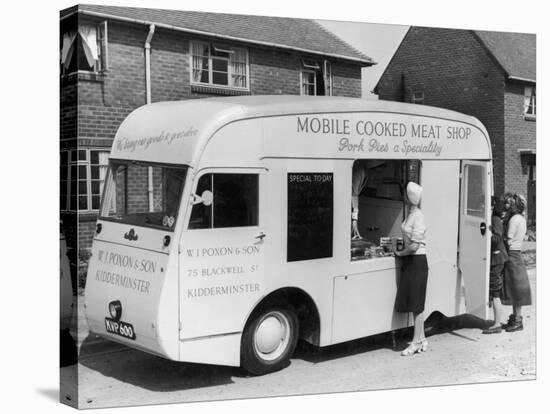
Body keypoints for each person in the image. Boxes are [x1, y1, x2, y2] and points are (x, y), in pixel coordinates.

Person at [393, 181, 429, 355]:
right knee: (416, 303)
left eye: (405, 194)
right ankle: (421, 338)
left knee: (416, 303)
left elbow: (414, 246)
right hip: (412, 261)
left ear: (409, 197)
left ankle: (415, 342)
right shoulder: (411, 214)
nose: (403, 197)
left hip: (417, 261)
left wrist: (400, 253)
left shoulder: (418, 216)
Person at [501, 193, 531, 332]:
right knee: (515, 288)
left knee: (515, 288)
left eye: (509, 203)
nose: (506, 206)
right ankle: (515, 318)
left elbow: (509, 239)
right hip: (517, 253)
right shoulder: (522, 218)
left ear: (514, 205)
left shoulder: (514, 219)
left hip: (512, 254)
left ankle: (517, 320)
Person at [482, 196, 508, 334]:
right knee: (494, 291)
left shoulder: (495, 220)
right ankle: (496, 322)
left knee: (495, 291)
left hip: (497, 259)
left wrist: (485, 237)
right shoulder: (494, 219)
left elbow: (497, 238)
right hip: (496, 258)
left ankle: (497, 324)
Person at [351, 160, 385, 239]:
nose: (377, 176)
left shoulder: (365, 173)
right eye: (377, 172)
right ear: (372, 169)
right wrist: (354, 219)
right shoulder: (359, 172)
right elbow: (354, 194)